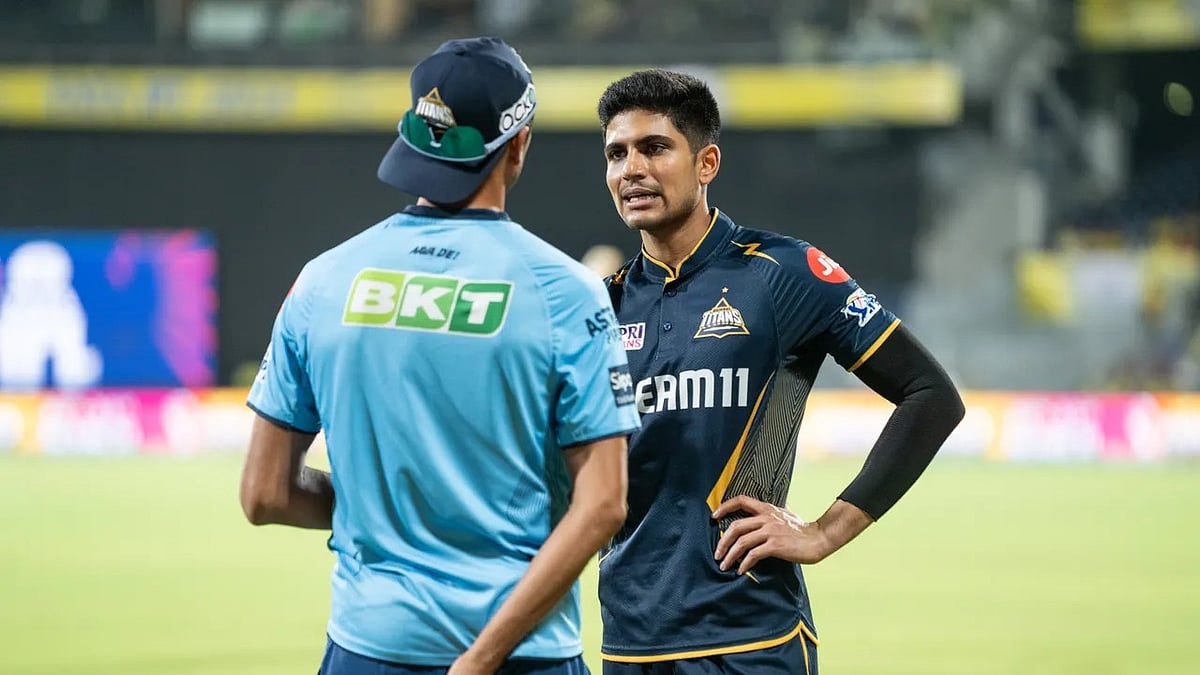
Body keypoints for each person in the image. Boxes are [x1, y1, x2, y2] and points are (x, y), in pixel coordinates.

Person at [239, 37, 640, 675]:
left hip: (366, 646)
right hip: (518, 655)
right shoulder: (567, 293)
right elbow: (604, 504)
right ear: (519, 142)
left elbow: (264, 494)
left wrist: (388, 506)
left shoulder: (322, 280)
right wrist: (480, 657)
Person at [595, 69, 965, 674]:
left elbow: (931, 395)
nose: (630, 169)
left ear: (706, 162)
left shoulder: (782, 274)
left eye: (655, 147)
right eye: (617, 154)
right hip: (628, 642)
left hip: (750, 641)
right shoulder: (599, 306)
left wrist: (824, 531)